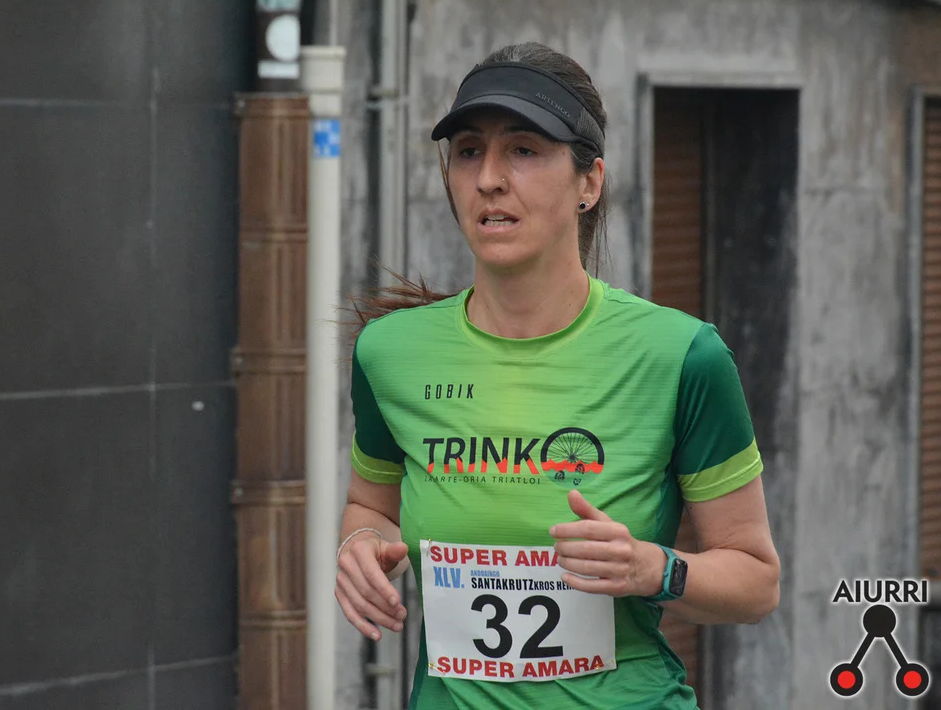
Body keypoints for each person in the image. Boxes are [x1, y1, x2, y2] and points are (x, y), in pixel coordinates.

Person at [334, 41, 781, 710]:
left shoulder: (681, 355)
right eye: (467, 151)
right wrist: (361, 543)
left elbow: (756, 583)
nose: (489, 178)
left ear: (588, 183)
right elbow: (370, 506)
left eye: (523, 149)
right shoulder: (390, 353)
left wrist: (651, 568)